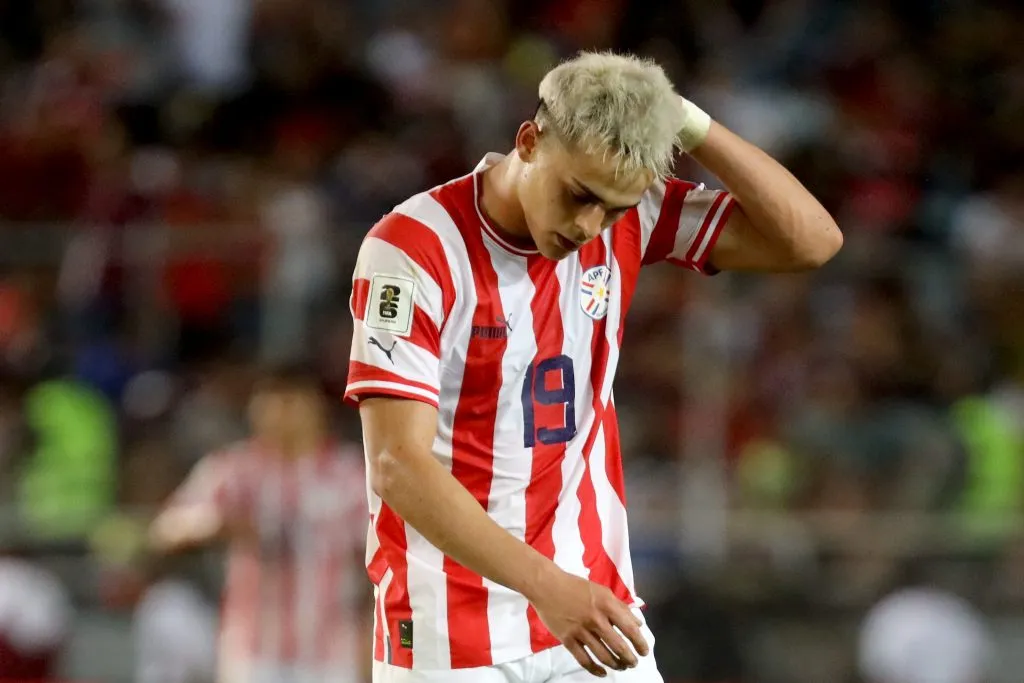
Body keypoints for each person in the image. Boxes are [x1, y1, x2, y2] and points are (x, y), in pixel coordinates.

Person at [345, 51, 843, 683]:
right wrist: (548, 588)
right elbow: (397, 466)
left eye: (611, 208)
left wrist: (685, 122)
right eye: (579, 195)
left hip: (593, 608)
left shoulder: (627, 214)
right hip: (451, 628)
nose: (589, 226)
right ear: (529, 141)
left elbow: (811, 241)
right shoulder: (413, 248)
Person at [150, 364, 370, 683]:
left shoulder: (349, 475)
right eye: (269, 403)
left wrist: (369, 632)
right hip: (252, 648)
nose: (279, 415)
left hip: (329, 648)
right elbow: (166, 528)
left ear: (316, 408)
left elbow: (378, 559)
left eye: (290, 403)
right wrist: (217, 525)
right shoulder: (234, 470)